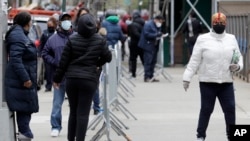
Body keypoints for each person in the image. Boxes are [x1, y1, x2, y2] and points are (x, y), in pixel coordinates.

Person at [182, 12, 243, 141]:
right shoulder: (203, 39)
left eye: (222, 23)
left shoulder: (231, 38)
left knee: (230, 109)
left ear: (225, 24)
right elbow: (194, 61)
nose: (219, 25)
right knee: (206, 109)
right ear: (212, 24)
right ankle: (200, 136)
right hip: (207, 82)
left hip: (226, 82)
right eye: (216, 23)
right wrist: (187, 77)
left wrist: (237, 67)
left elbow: (238, 56)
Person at [53, 13, 112, 141]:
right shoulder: (100, 40)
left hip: (72, 79)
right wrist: (97, 63)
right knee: (83, 113)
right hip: (89, 79)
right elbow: (108, 57)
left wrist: (57, 79)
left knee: (73, 111)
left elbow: (63, 62)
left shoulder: (72, 39)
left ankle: (70, 139)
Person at [5, 11, 39, 141]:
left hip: (23, 83)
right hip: (21, 83)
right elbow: (16, 60)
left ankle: (25, 136)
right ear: (27, 22)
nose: (31, 23)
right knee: (24, 115)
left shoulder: (19, 35)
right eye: (30, 20)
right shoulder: (18, 37)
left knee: (25, 113)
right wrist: (26, 78)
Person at [42, 12, 74, 137]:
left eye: (68, 19)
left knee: (75, 104)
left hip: (73, 75)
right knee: (57, 103)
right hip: (59, 76)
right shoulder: (53, 39)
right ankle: (55, 126)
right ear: (60, 23)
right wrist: (54, 61)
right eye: (64, 20)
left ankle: (75, 127)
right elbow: (45, 53)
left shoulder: (76, 36)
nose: (67, 22)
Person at [138, 15, 164, 82]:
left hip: (154, 45)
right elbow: (147, 34)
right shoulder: (148, 25)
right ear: (156, 20)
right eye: (160, 21)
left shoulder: (156, 25)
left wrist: (159, 34)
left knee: (153, 61)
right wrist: (157, 34)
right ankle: (147, 77)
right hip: (148, 45)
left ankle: (151, 76)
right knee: (148, 61)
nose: (160, 23)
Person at [39, 16, 57, 92]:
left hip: (56, 54)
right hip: (47, 55)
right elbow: (41, 44)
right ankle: (48, 86)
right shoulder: (45, 33)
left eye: (51, 24)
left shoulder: (56, 32)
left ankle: (56, 83)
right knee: (48, 71)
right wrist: (40, 53)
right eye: (48, 24)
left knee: (56, 71)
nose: (49, 25)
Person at [127, 11, 145, 78]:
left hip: (134, 44)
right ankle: (147, 73)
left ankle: (133, 74)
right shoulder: (143, 23)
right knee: (143, 58)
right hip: (142, 44)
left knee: (133, 59)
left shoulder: (131, 25)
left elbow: (130, 34)